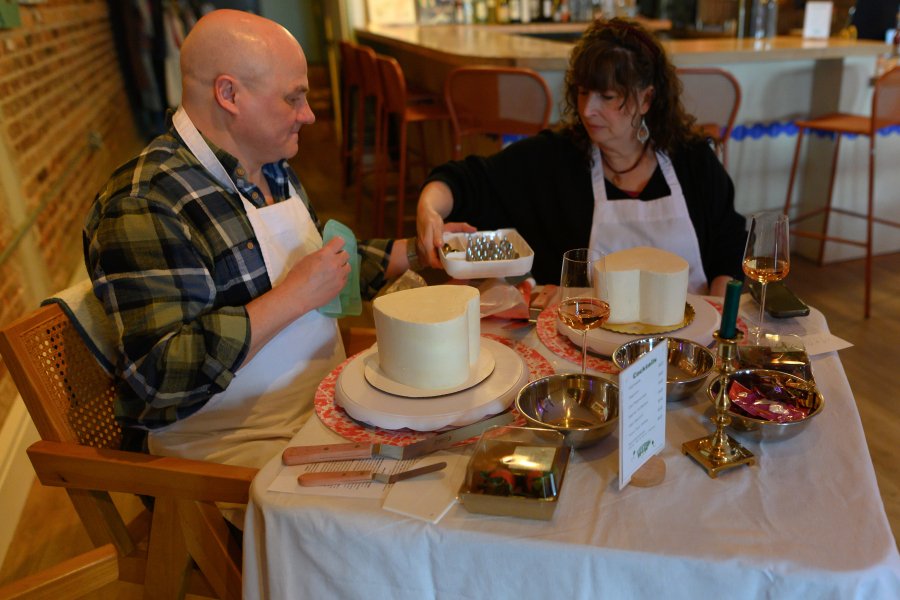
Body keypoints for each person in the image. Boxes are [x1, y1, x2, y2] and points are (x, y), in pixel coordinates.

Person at [83, 10, 419, 469]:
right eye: (293, 98)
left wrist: (418, 249)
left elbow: (321, 270)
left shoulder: (271, 164)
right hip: (218, 452)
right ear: (229, 94)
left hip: (316, 411)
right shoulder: (145, 201)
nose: (309, 114)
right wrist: (292, 297)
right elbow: (160, 375)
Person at [416, 18, 747, 296]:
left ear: (646, 99)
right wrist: (429, 209)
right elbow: (466, 180)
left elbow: (729, 251)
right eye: (583, 92)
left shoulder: (693, 162)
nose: (588, 110)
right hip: (587, 343)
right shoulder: (555, 158)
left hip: (689, 345)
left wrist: (720, 319)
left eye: (607, 96)